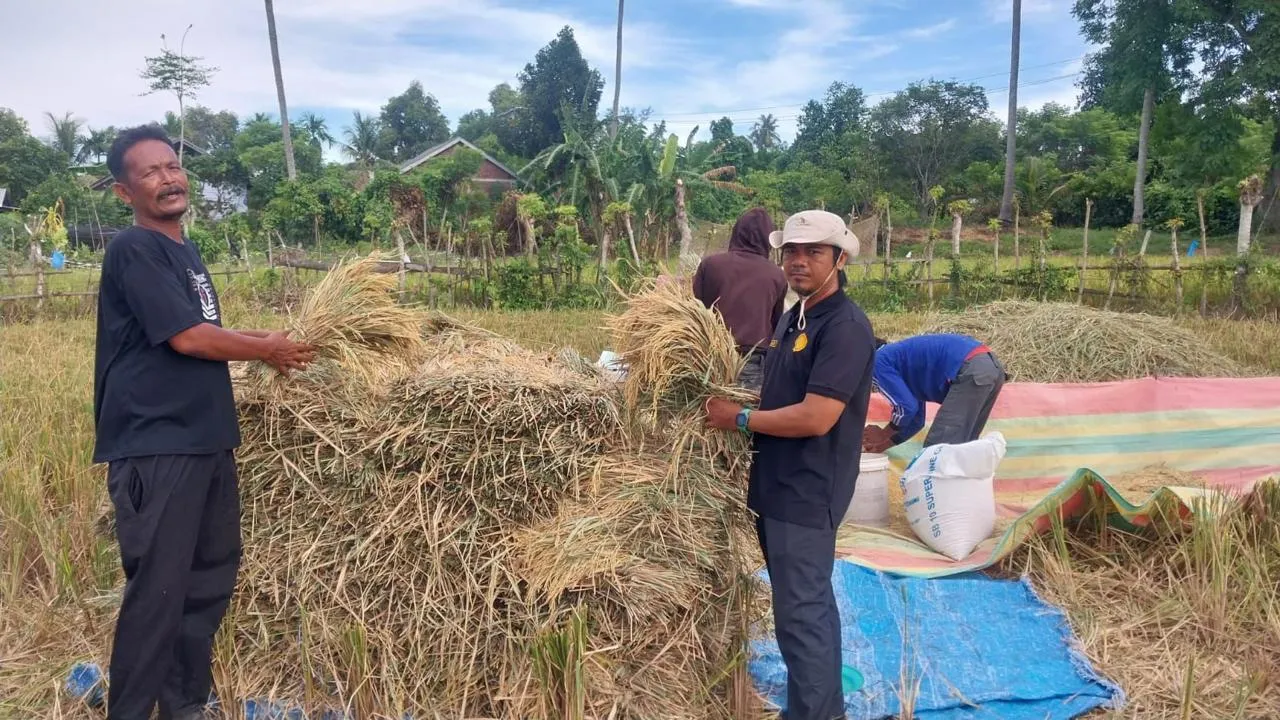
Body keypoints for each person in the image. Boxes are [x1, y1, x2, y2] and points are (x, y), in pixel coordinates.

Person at [94, 124, 315, 720]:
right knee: (159, 595)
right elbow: (189, 338)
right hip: (157, 446)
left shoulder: (184, 252)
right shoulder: (133, 249)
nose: (167, 179)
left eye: (172, 166)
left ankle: (184, 704)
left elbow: (206, 336)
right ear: (124, 191)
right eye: (150, 173)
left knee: (207, 582)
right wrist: (266, 348)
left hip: (205, 440)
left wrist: (261, 345)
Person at [705, 209, 874, 720]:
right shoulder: (792, 316)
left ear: (839, 259)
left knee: (802, 616)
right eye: (792, 252)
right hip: (777, 487)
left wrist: (739, 419)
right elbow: (779, 390)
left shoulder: (845, 326)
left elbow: (818, 416)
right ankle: (811, 705)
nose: (799, 262)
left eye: (813, 252)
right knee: (800, 610)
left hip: (807, 490)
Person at [692, 207, 787, 391]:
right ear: (768, 238)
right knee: (744, 416)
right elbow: (776, 324)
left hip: (710, 354)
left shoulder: (711, 265)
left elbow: (695, 307)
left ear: (736, 232)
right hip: (752, 360)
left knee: (708, 413)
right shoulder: (777, 275)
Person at [862, 334, 1006, 454]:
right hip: (991, 368)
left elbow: (906, 407)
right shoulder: (898, 361)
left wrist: (884, 433)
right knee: (962, 450)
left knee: (936, 452)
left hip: (971, 368)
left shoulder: (877, 361)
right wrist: (881, 446)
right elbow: (915, 421)